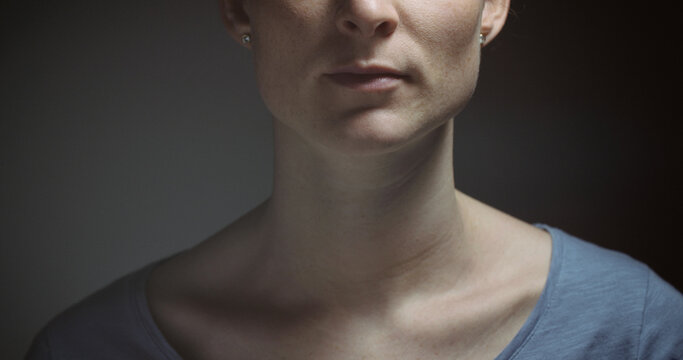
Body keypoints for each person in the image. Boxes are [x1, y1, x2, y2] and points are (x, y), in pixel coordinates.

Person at [26, 0, 683, 358]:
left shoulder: (635, 330)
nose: (367, 11)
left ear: (492, 6)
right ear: (238, 10)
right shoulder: (89, 348)